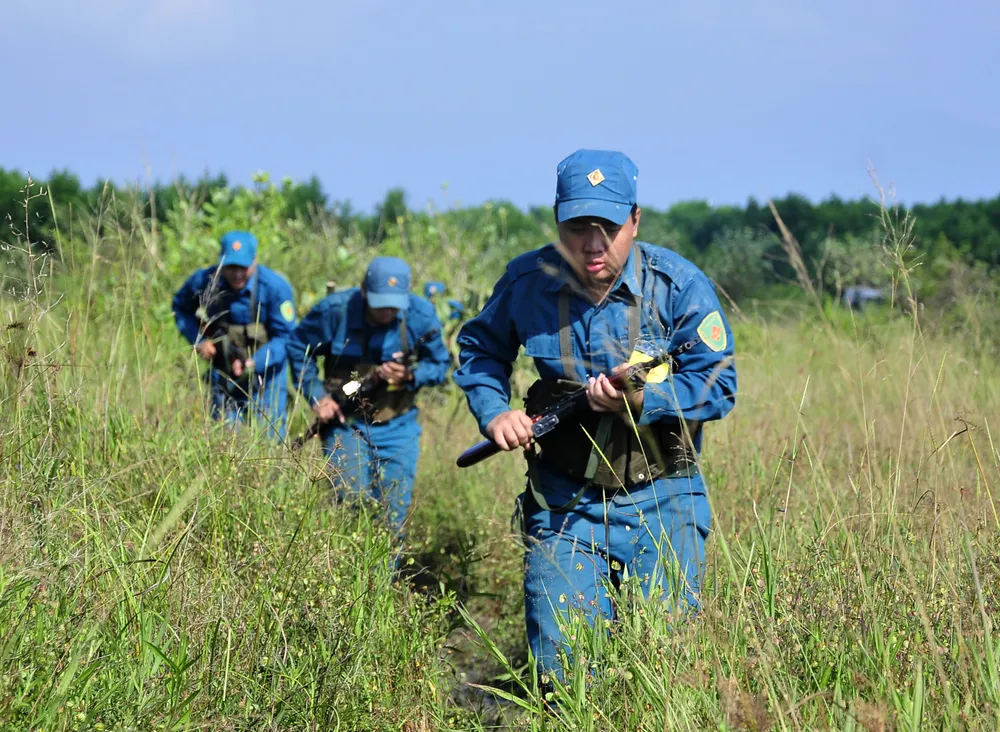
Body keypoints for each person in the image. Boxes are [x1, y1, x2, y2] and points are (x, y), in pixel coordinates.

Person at [453, 149, 738, 682]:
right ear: (557, 219)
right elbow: (480, 349)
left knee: (667, 669)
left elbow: (720, 385)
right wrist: (494, 414)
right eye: (577, 226)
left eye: (606, 226)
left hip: (665, 500)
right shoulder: (526, 282)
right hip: (565, 503)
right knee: (564, 674)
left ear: (635, 218)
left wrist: (645, 401)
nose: (592, 244)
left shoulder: (677, 285)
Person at [286, 256, 451, 536]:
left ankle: (382, 579)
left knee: (392, 512)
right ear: (363, 289)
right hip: (345, 424)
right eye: (380, 303)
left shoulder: (421, 316)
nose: (386, 311)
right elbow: (298, 347)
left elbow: (439, 365)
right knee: (351, 502)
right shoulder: (334, 311)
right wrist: (316, 396)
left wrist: (411, 376)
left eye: (393, 305)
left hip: (398, 426)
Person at [172, 229, 297, 441]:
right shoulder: (205, 281)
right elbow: (180, 308)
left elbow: (286, 338)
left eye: (243, 267)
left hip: (267, 374)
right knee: (224, 439)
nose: (237, 274)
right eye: (230, 267)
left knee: (269, 440)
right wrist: (200, 341)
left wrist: (253, 364)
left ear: (255, 261)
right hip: (223, 370)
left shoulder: (275, 287)